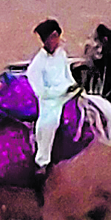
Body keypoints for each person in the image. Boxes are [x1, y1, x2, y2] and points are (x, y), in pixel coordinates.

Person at [26, 18, 77, 172]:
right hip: (51, 102)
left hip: (69, 93)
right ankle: (43, 161)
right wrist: (61, 91)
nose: (56, 41)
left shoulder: (62, 55)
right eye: (53, 37)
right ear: (45, 40)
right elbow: (42, 92)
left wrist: (73, 87)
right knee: (48, 125)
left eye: (57, 36)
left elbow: (68, 75)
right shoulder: (36, 65)